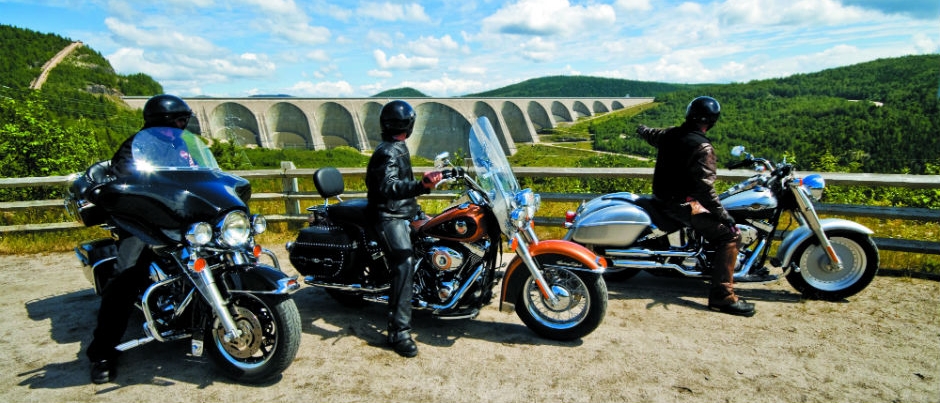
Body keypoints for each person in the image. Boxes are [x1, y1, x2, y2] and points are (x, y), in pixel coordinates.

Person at [87, 94, 195, 384]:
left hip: (179, 217)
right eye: (180, 120)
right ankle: (103, 352)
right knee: (126, 276)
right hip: (143, 221)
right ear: (163, 121)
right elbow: (123, 182)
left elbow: (198, 174)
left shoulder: (180, 146)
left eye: (185, 119)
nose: (184, 125)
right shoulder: (135, 147)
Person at [636, 96, 756, 317]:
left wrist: (640, 128)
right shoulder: (703, 147)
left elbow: (650, 134)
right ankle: (723, 297)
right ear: (712, 120)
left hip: (662, 198)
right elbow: (705, 190)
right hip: (685, 205)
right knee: (729, 236)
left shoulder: (670, 134)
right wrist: (725, 217)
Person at [365, 100, 443, 357]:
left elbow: (399, 182)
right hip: (388, 215)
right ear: (408, 125)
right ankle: (398, 332)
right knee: (404, 261)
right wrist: (421, 186)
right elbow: (387, 188)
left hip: (405, 210)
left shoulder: (397, 146)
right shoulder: (387, 152)